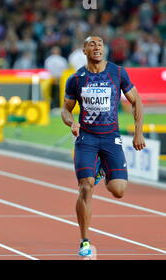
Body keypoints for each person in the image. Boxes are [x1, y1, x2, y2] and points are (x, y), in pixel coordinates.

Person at [61, 36, 146, 257]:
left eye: (100, 44)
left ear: (104, 49)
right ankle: (85, 241)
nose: (97, 47)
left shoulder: (117, 73)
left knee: (118, 191)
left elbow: (137, 101)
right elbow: (65, 109)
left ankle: (101, 170)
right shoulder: (76, 78)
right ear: (84, 50)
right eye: (92, 44)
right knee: (85, 187)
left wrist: (138, 132)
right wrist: (72, 122)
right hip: (87, 139)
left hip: (111, 138)